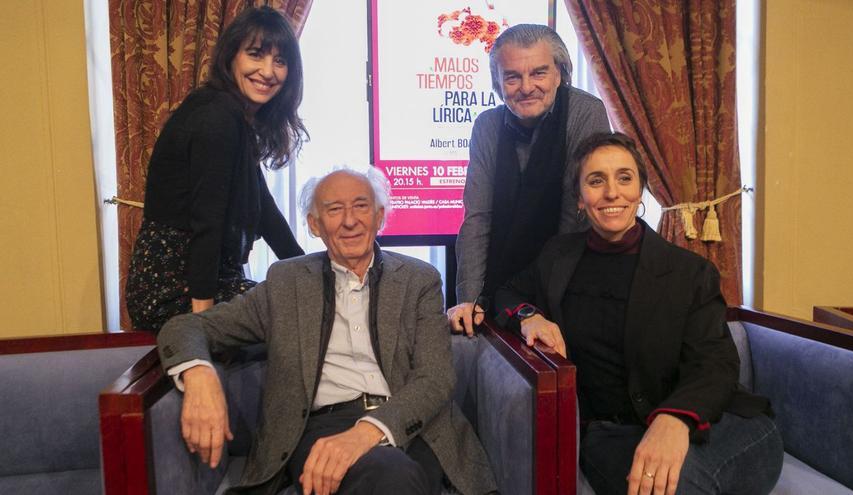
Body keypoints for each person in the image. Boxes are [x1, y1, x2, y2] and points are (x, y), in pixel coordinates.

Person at [157, 168, 497, 495]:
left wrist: (368, 431)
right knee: (393, 474)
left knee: (397, 473)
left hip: (412, 423)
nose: (350, 221)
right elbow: (187, 327)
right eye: (334, 210)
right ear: (315, 225)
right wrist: (200, 374)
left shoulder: (418, 279)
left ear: (379, 217)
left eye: (361, 206)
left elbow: (435, 379)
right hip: (322, 427)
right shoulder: (285, 284)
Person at [495, 133, 784, 495]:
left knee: (678, 480)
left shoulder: (689, 272)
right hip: (611, 433)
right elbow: (506, 293)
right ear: (580, 199)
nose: (612, 192)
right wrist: (529, 316)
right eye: (596, 180)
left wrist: (675, 419)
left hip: (722, 421)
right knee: (665, 485)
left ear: (641, 189)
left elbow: (717, 364)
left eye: (624, 178)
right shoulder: (557, 256)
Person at [127, 6, 307, 332]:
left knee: (306, 301)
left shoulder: (235, 117)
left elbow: (266, 212)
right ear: (231, 56)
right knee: (297, 313)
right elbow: (206, 223)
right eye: (256, 55)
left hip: (211, 278)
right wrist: (202, 328)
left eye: (280, 61)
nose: (268, 71)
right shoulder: (217, 116)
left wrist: (309, 272)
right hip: (172, 288)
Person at [448, 23, 611, 335]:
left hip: (569, 283)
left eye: (538, 73)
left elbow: (576, 214)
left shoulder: (585, 112)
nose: (526, 87)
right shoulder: (487, 126)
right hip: (502, 284)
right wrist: (469, 300)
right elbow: (478, 219)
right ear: (497, 83)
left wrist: (547, 305)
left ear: (560, 73)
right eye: (512, 76)